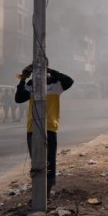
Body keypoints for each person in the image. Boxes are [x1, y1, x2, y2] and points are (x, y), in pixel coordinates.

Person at [15, 63, 74, 202]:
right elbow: (18, 98)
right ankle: (37, 195)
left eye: (42, 71)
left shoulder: (56, 84)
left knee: (49, 163)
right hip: (32, 129)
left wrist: (51, 70)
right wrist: (23, 78)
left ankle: (45, 197)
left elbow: (69, 81)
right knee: (36, 163)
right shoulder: (31, 85)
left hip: (50, 129)